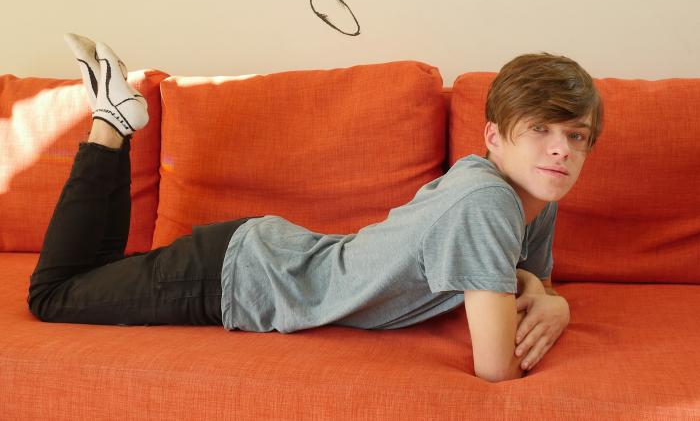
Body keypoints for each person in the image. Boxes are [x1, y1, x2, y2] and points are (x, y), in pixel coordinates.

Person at [27, 34, 603, 382]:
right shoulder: (488, 201)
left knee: (93, 275)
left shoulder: (534, 194)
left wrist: (553, 302)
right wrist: (550, 306)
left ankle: (117, 119)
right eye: (540, 129)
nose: (561, 149)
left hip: (267, 255)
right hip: (241, 279)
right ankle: (110, 123)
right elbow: (497, 369)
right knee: (54, 295)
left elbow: (532, 285)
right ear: (494, 136)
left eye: (576, 136)